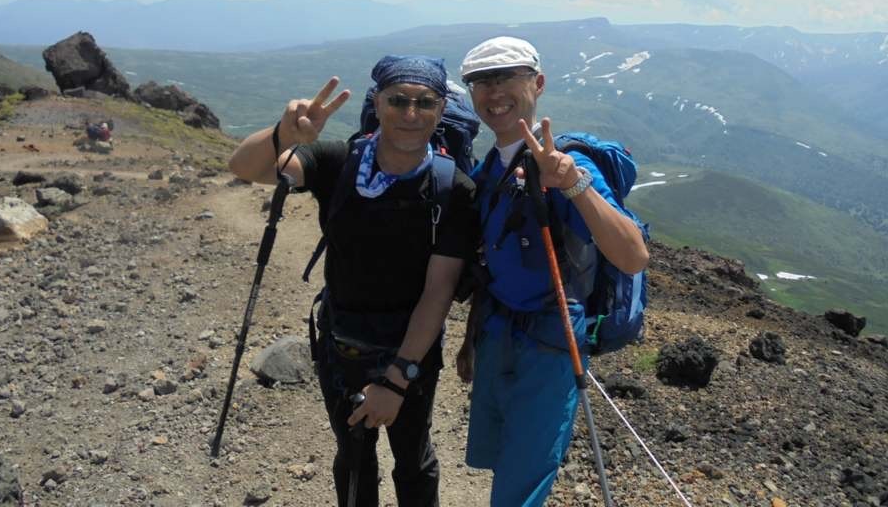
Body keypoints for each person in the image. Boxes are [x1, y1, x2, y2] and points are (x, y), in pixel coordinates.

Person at [228, 56, 477, 507]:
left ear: (441, 110)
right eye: (397, 100)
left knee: (413, 459)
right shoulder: (338, 162)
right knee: (354, 455)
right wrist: (284, 134)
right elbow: (245, 168)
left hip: (412, 354)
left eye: (425, 102)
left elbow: (438, 291)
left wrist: (397, 380)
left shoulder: (453, 190)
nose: (410, 113)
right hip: (340, 345)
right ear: (377, 103)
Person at [455, 36, 649, 507]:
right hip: (498, 334)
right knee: (503, 455)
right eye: (481, 82)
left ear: (537, 84)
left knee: (524, 477)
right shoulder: (489, 172)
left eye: (506, 78)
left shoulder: (568, 163)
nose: (493, 92)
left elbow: (632, 256)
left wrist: (572, 184)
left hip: (551, 340)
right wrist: (469, 340)